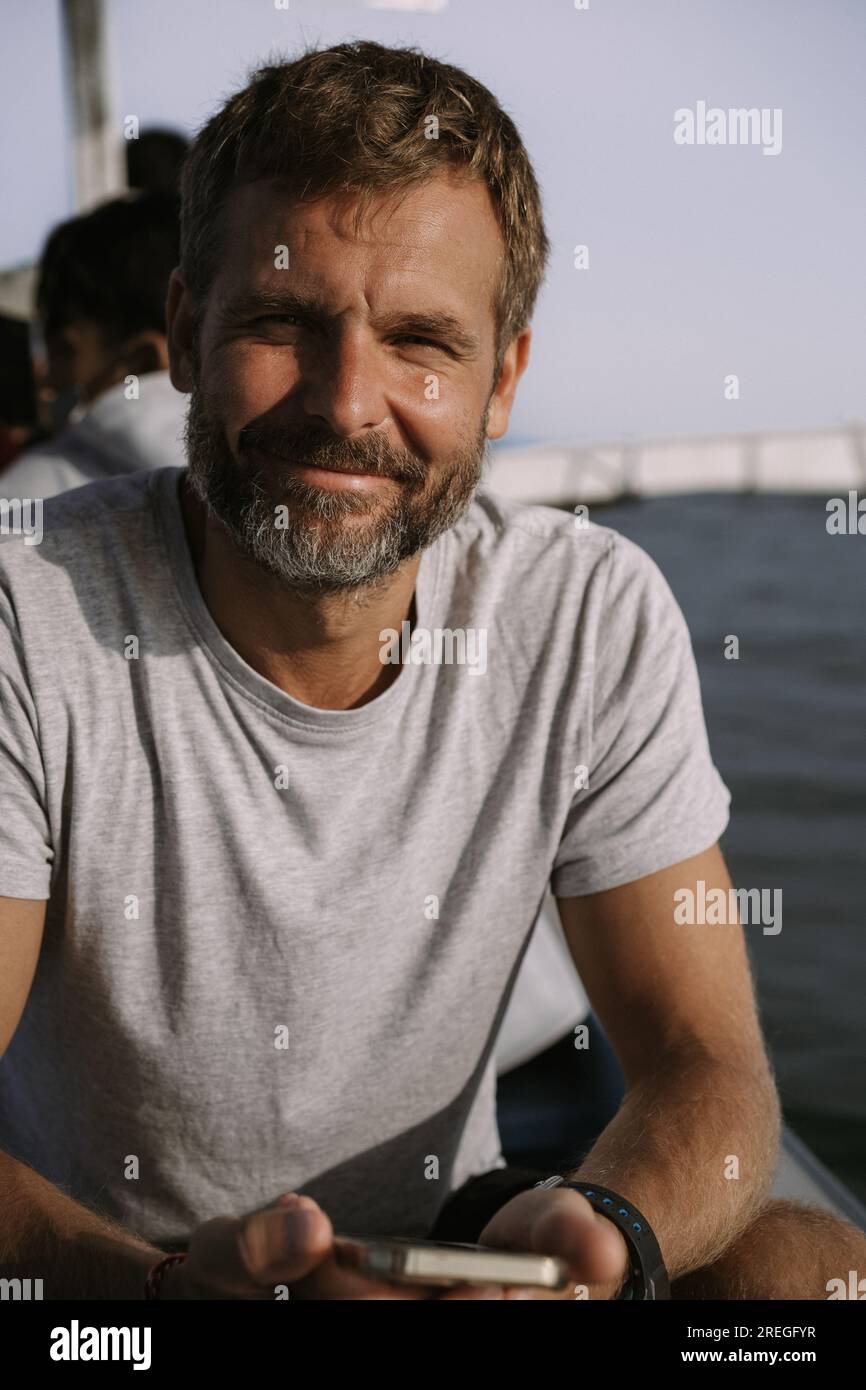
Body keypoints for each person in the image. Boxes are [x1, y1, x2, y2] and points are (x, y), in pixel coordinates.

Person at [1, 40, 863, 1303]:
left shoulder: (586, 615)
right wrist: (159, 1296)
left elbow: (704, 1064)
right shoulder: (28, 614)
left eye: (420, 341)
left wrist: (607, 1231)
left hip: (466, 1252)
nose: (349, 402)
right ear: (184, 335)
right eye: (286, 323)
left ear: (502, 378)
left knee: (810, 1273)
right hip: (113, 1296)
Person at [0, 192, 187, 500]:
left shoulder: (24, 500)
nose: (44, 380)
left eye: (64, 353)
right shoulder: (270, 486)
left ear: (143, 362)